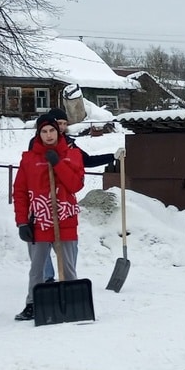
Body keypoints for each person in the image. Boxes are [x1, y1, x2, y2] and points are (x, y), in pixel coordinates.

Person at [37, 107, 125, 283]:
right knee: (43, 242)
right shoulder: (38, 144)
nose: (61, 127)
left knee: (70, 243)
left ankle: (68, 276)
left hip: (65, 200)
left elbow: (87, 161)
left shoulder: (70, 144)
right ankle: (47, 277)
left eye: (64, 124)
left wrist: (112, 157)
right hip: (43, 201)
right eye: (58, 124)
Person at [12, 114, 86, 322]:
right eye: (44, 131)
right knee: (37, 269)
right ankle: (32, 303)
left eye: (52, 130)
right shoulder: (29, 159)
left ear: (58, 131)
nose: (49, 135)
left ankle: (73, 302)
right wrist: (22, 222)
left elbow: (76, 185)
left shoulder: (72, 155)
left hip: (65, 220)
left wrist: (58, 164)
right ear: (39, 134)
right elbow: (19, 192)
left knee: (68, 267)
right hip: (39, 221)